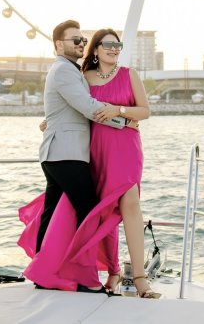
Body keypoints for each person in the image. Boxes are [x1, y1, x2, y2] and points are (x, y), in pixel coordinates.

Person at [17, 19, 133, 293]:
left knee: (52, 212)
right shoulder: (64, 71)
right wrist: (123, 120)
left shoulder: (68, 70)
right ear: (59, 44)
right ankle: (86, 279)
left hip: (58, 151)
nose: (81, 44)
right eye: (75, 40)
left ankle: (42, 272)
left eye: (82, 40)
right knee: (88, 210)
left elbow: (64, 109)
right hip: (65, 152)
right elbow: (86, 106)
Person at [81, 28, 160, 298]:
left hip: (126, 147)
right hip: (97, 150)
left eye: (118, 45)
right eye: (108, 45)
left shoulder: (129, 74)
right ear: (95, 49)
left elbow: (145, 111)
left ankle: (140, 279)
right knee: (104, 211)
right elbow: (74, 107)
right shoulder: (84, 78)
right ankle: (113, 272)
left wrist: (119, 110)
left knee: (130, 205)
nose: (114, 49)